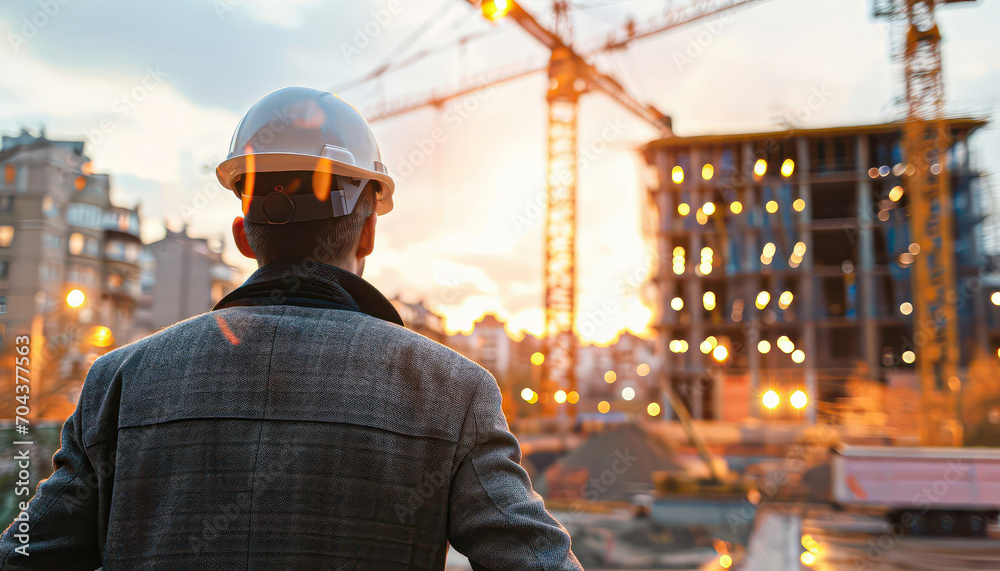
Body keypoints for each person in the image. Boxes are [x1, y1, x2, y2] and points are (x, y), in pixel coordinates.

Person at [0, 87, 581, 570]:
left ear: (244, 235)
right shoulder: (452, 392)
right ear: (368, 235)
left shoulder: (119, 382)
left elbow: (26, 557)